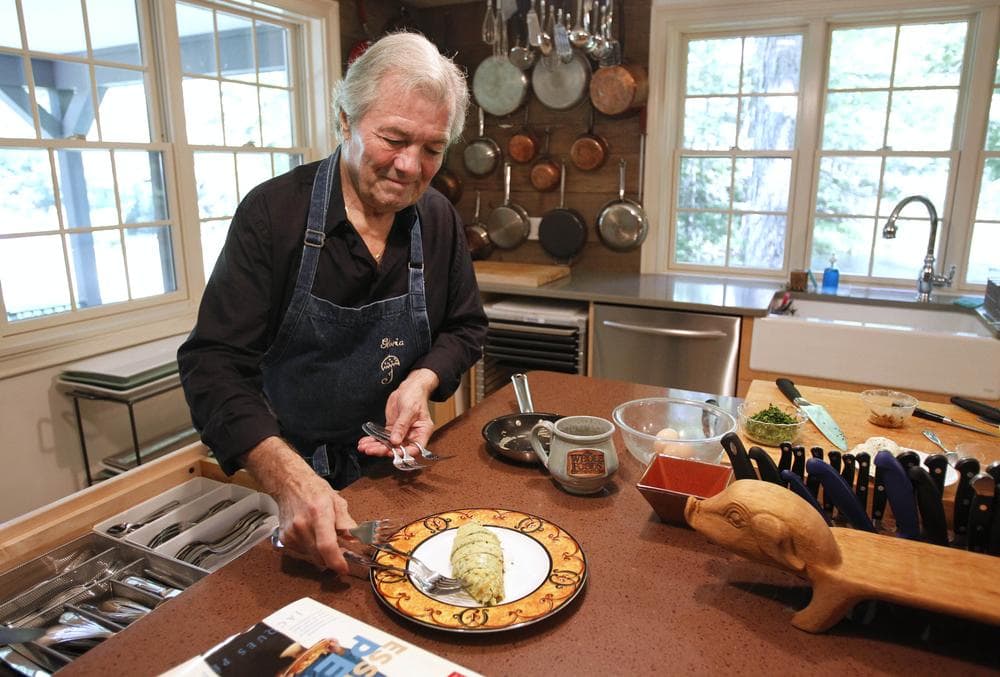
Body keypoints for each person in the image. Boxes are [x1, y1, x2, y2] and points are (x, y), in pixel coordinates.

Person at [177, 32, 487, 574]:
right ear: (344, 119)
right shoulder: (274, 215)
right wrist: (289, 478)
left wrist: (422, 381)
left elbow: (464, 327)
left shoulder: (436, 219)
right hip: (286, 485)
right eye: (394, 139)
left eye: (433, 149)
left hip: (394, 479)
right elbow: (213, 365)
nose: (411, 167)